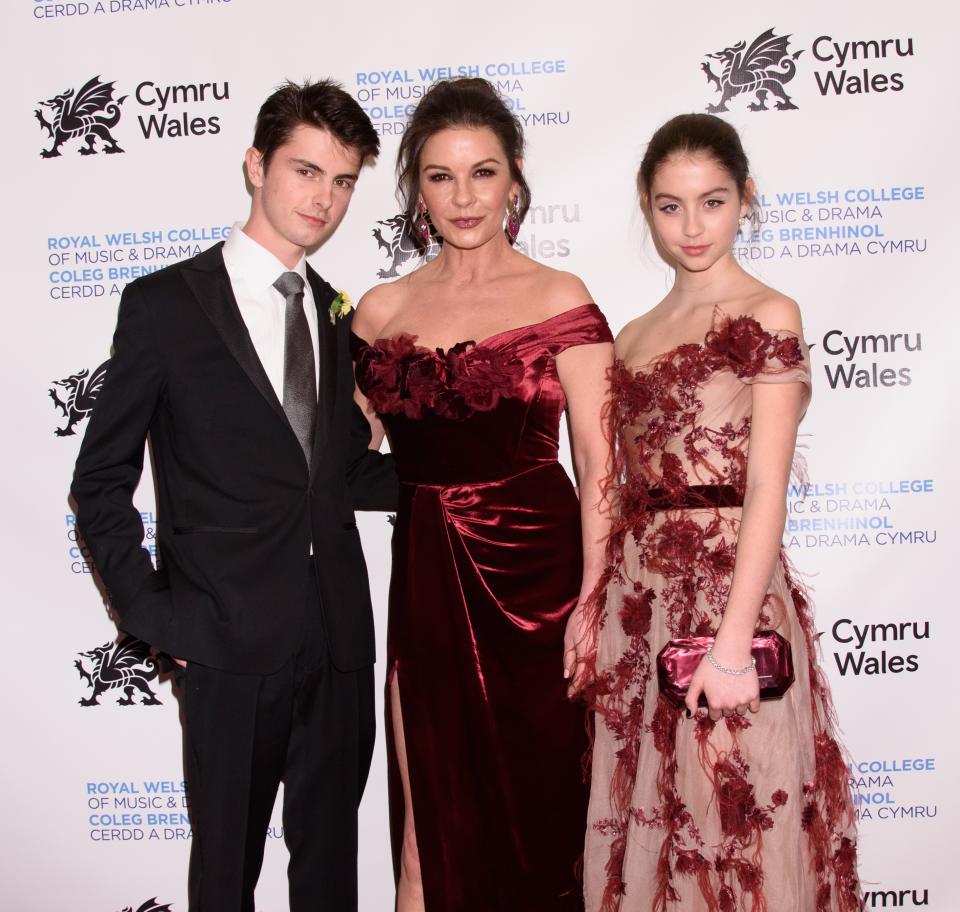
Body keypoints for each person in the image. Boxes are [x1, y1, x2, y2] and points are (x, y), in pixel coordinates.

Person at [71, 80, 398, 912]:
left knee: (330, 879)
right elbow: (100, 484)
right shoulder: (164, 306)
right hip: (221, 642)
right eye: (305, 170)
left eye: (344, 180)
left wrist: (470, 473)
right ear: (255, 166)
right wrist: (154, 618)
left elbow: (335, 477)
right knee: (225, 881)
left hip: (338, 644)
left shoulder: (335, 313)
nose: (324, 198)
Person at [582, 114, 860, 911]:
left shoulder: (772, 314)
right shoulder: (630, 335)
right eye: (670, 206)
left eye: (712, 201)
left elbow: (767, 485)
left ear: (746, 198)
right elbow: (614, 484)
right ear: (646, 207)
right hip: (640, 606)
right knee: (656, 826)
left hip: (731, 594)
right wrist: (597, 605)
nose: (692, 225)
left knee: (737, 823)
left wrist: (736, 641)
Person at [351, 77, 613, 911]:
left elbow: (603, 468)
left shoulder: (561, 298)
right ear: (415, 188)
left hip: (545, 591)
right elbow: (331, 461)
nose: (463, 197)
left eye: (483, 173)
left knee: (550, 818)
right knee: (430, 824)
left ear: (515, 177)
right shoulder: (378, 312)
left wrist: (596, 602)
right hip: (427, 587)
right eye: (440, 176)